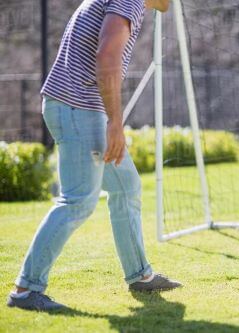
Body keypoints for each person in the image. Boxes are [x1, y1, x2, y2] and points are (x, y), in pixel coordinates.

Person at [7, 0, 180, 311]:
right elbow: (107, 56)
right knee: (78, 201)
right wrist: (115, 122)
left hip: (80, 108)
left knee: (126, 187)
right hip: (78, 109)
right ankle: (25, 290)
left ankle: (140, 275)